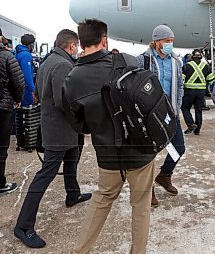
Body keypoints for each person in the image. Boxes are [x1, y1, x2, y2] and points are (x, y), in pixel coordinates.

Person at [62, 19, 156, 253]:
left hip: (107, 154)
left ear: (81, 43)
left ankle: (80, 250)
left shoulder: (72, 79)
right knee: (141, 206)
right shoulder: (127, 62)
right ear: (104, 40)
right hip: (140, 150)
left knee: (101, 200)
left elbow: (78, 126)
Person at [14, 30, 91, 249]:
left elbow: (39, 92)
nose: (77, 50)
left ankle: (72, 194)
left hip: (58, 129)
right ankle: (23, 225)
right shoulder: (63, 65)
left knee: (72, 160)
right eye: (76, 46)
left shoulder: (49, 61)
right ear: (71, 46)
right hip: (60, 131)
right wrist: (82, 118)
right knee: (45, 175)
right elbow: (63, 101)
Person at [136, 25, 185, 203]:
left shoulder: (176, 61)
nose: (170, 44)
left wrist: (177, 107)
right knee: (150, 153)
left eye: (171, 41)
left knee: (178, 148)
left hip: (171, 113)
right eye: (166, 41)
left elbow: (179, 86)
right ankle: (149, 189)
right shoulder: (143, 60)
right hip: (151, 115)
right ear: (157, 42)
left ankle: (165, 175)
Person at [0, 37, 24, 196]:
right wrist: (17, 99)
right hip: (2, 107)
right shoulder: (7, 56)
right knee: (1, 147)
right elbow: (18, 82)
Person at [181, 49, 215, 135]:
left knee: (185, 108)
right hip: (201, 92)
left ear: (192, 57)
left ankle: (191, 124)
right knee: (198, 110)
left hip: (189, 91)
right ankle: (197, 130)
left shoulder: (186, 66)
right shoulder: (206, 66)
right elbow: (211, 80)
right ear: (201, 57)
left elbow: (181, 79)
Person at [15, 34, 36, 106]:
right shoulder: (26, 55)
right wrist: (33, 90)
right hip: (26, 91)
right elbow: (27, 76)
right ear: (31, 45)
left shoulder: (18, 53)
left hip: (18, 89)